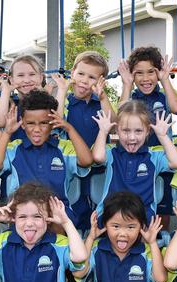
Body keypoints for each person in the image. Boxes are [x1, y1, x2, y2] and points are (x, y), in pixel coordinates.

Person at [0, 90, 93, 227]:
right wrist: (7, 132)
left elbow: (87, 161)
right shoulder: (14, 149)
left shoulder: (63, 148)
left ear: (53, 123)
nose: (37, 129)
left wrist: (69, 129)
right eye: (30, 123)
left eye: (43, 123)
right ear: (23, 124)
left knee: (54, 228)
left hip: (56, 211)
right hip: (23, 211)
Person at [50, 51, 116, 232]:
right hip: (71, 166)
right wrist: (62, 90)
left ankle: (93, 241)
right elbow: (56, 119)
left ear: (101, 81)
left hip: (97, 167)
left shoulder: (100, 103)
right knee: (74, 205)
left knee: (97, 206)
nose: (84, 80)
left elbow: (113, 124)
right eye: (81, 74)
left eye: (92, 77)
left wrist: (103, 97)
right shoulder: (67, 101)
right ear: (72, 73)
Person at [119, 46, 177, 227]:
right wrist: (127, 84)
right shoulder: (130, 97)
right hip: (136, 158)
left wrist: (165, 80)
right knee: (137, 204)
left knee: (162, 208)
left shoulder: (165, 95)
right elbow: (120, 114)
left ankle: (160, 241)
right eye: (139, 73)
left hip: (163, 159)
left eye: (151, 72)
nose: (146, 78)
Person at [92, 100, 177, 223]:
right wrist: (103, 131)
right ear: (117, 130)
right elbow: (97, 157)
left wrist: (162, 136)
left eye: (138, 131)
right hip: (111, 214)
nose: (132, 137)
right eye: (126, 131)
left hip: (142, 216)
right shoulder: (111, 152)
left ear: (147, 132)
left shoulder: (153, 156)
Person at [0, 54, 46, 141]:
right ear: (11, 80)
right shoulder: (10, 103)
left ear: (40, 78)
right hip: (16, 152)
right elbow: (0, 122)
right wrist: (6, 91)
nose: (27, 80)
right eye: (20, 75)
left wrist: (43, 92)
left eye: (32, 74)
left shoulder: (47, 101)